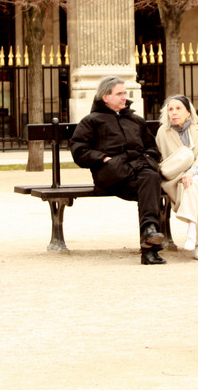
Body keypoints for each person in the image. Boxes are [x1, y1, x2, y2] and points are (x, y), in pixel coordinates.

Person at [70, 76, 168, 265]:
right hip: (111, 175)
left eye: (125, 93)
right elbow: (79, 151)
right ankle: (150, 248)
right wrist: (103, 159)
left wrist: (148, 157)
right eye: (120, 93)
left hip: (138, 171)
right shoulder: (91, 121)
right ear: (105, 97)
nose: (125, 97)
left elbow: (152, 147)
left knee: (149, 179)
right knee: (150, 184)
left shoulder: (136, 120)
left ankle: (150, 234)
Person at [155, 95, 198, 261]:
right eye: (171, 109)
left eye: (178, 109)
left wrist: (192, 171)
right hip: (174, 179)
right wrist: (184, 173)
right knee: (193, 187)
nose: (174, 113)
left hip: (197, 174)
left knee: (194, 184)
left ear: (188, 112)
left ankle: (193, 233)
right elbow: (161, 159)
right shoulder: (163, 132)